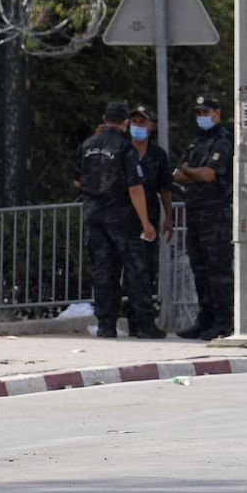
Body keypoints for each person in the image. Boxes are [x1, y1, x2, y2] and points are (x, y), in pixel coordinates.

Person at [73, 102, 164, 339]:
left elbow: (77, 181)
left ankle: (106, 324)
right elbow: (135, 188)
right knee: (136, 271)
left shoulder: (87, 145)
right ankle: (143, 325)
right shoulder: (125, 149)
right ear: (125, 122)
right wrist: (146, 223)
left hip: (94, 217)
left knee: (103, 272)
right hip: (123, 219)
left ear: (104, 118)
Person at [173, 94, 235, 340]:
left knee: (217, 269)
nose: (201, 117)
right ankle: (205, 318)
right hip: (195, 210)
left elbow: (208, 174)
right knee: (199, 268)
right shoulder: (197, 140)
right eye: (198, 113)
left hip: (215, 212)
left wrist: (189, 171)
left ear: (216, 113)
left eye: (205, 112)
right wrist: (191, 173)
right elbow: (178, 175)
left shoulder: (223, 140)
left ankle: (222, 321)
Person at [129, 105, 173, 296]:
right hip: (123, 218)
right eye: (134, 121)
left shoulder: (157, 155)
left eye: (142, 122)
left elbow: (165, 188)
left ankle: (145, 314)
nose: (138, 126)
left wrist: (169, 218)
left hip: (150, 218)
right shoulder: (122, 150)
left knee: (146, 267)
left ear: (151, 126)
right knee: (122, 267)